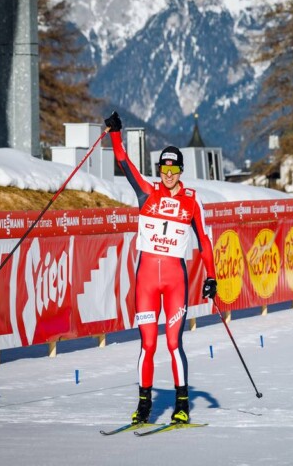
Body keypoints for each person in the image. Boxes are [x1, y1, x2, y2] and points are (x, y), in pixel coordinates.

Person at [104, 111, 218, 425]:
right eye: (165, 168)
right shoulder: (146, 192)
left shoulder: (192, 202)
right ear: (160, 170)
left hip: (175, 281)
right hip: (145, 283)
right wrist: (116, 132)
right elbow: (123, 161)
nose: (169, 173)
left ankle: (182, 404)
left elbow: (205, 240)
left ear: (181, 170)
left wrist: (211, 276)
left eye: (174, 168)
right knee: (148, 344)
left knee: (172, 343)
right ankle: (144, 406)